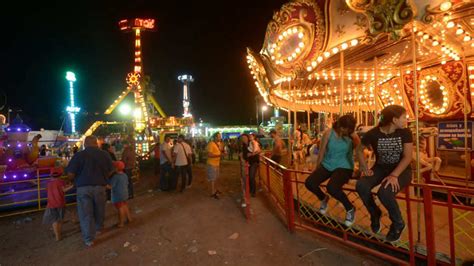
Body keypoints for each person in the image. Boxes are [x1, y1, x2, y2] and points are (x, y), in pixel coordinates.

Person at [356, 105, 413, 242]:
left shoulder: (405, 133)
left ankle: (398, 222)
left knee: (385, 192)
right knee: (361, 186)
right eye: (404, 117)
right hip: (380, 168)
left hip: (401, 169)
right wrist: (364, 167)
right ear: (394, 120)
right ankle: (374, 212)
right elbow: (359, 149)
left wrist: (394, 175)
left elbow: (407, 157)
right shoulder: (373, 133)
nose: (406, 120)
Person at [304, 115, 358, 226]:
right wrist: (317, 169)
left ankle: (350, 208)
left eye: (348, 129)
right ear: (339, 125)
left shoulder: (351, 135)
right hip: (328, 163)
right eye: (344, 129)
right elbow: (322, 151)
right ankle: (323, 198)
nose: (345, 131)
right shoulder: (329, 133)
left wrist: (355, 137)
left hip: (344, 165)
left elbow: (359, 149)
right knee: (310, 183)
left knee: (332, 187)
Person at [66, 135, 114, 247]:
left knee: (86, 213)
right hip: (100, 187)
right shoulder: (104, 154)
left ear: (84, 144)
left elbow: (70, 174)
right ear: (96, 143)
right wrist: (104, 177)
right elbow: (112, 170)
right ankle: (98, 229)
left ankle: (89, 239)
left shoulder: (79, 155)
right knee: (99, 209)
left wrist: (74, 179)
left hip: (83, 188)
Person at [43, 167, 73, 241]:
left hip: (51, 204)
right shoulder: (61, 181)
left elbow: (48, 190)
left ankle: (57, 235)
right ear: (60, 174)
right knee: (59, 220)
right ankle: (58, 235)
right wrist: (72, 186)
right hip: (60, 203)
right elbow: (64, 190)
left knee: (54, 220)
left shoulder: (48, 183)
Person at [107, 161, 132, 228]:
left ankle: (121, 223)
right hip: (125, 193)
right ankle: (129, 218)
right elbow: (127, 183)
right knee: (125, 205)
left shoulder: (115, 177)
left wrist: (104, 185)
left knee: (120, 208)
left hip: (118, 195)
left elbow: (111, 186)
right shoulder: (125, 175)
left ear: (116, 168)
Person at [207, 132, 223, 199]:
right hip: (212, 164)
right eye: (219, 136)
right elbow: (209, 155)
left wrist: (221, 151)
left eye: (220, 136)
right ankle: (213, 193)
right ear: (215, 137)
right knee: (213, 179)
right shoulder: (211, 144)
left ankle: (216, 190)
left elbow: (220, 152)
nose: (220, 137)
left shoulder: (218, 144)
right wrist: (219, 155)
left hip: (217, 164)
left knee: (217, 178)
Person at [247, 133, 261, 197]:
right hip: (251, 162)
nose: (250, 137)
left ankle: (253, 191)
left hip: (254, 162)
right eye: (249, 136)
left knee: (251, 177)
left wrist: (252, 154)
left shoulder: (253, 142)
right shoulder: (251, 142)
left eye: (251, 136)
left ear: (254, 137)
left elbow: (257, 151)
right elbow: (258, 151)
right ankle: (251, 190)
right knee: (250, 177)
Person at [238, 134, 250, 207]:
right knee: (244, 179)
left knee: (246, 179)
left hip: (248, 164)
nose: (244, 139)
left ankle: (246, 197)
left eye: (245, 138)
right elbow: (242, 154)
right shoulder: (242, 146)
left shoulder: (250, 144)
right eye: (242, 138)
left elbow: (256, 151)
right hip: (243, 164)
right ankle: (245, 195)